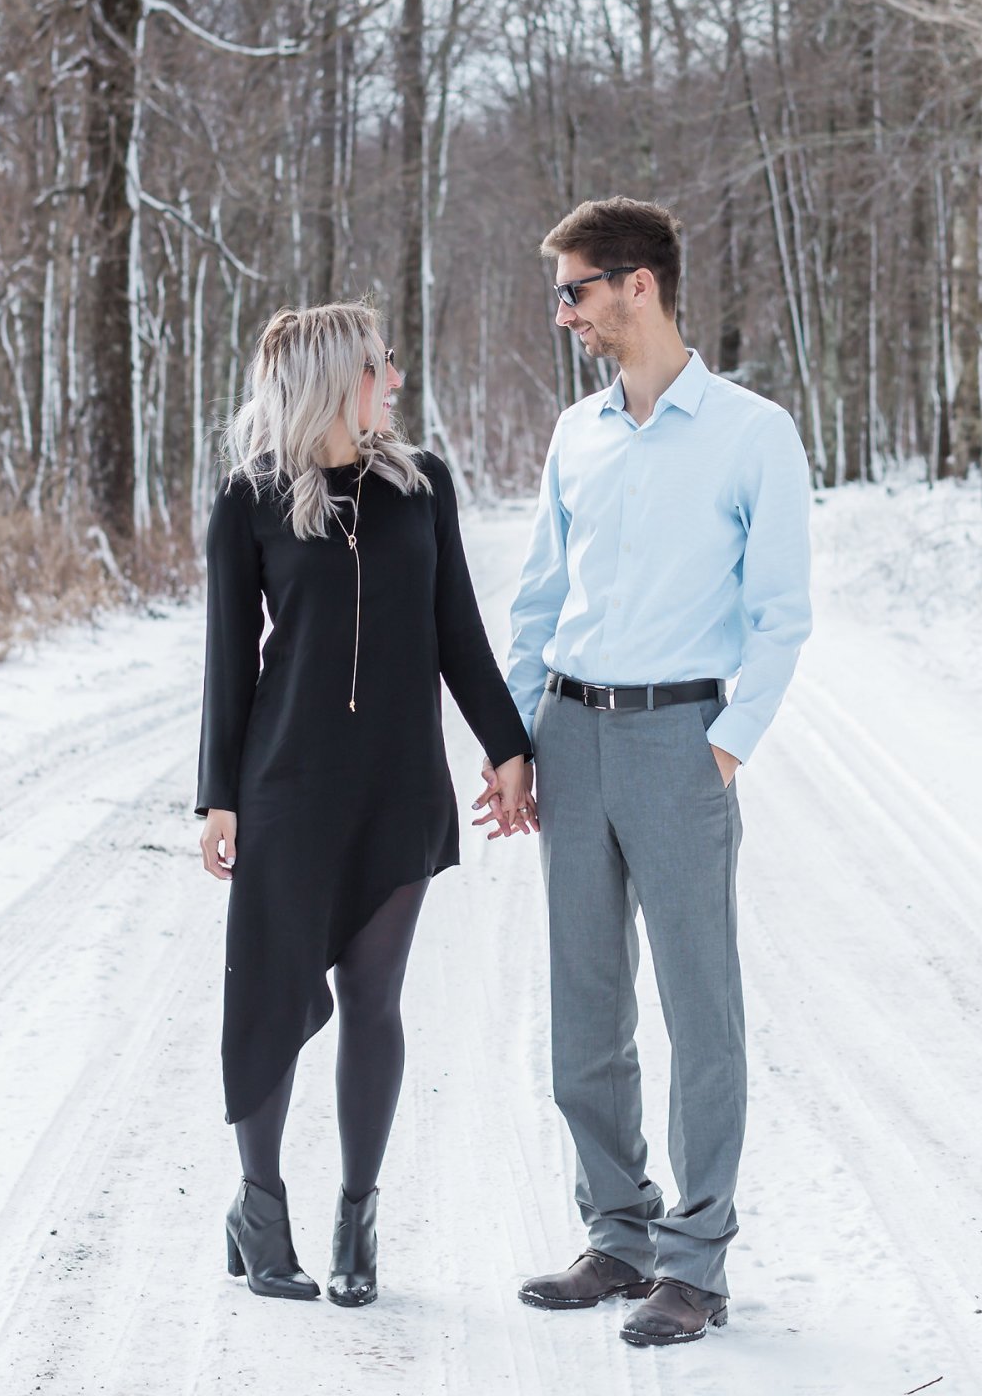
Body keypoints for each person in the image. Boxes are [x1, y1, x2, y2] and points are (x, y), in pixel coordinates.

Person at [500, 197, 814, 1348]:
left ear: (641, 284)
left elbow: (784, 615)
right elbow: (540, 596)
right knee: (584, 1003)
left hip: (682, 738)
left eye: (575, 290)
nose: (566, 313)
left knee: (700, 1006)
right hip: (573, 735)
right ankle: (616, 1233)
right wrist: (520, 741)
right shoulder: (576, 433)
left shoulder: (749, 431)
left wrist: (726, 745)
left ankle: (696, 1259)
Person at [196, 302, 538, 1307]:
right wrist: (218, 798)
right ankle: (259, 1207)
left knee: (375, 999)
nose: (395, 375)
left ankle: (357, 1215)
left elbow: (458, 632)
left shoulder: (422, 486)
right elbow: (226, 660)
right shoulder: (249, 500)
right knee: (269, 992)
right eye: (380, 362)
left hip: (396, 784)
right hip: (287, 786)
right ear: (335, 377)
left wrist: (508, 744)